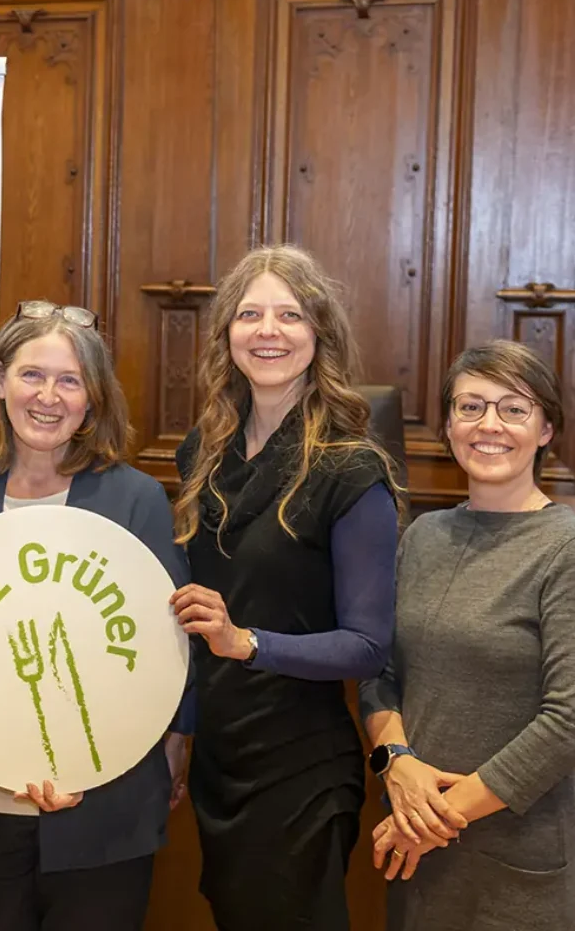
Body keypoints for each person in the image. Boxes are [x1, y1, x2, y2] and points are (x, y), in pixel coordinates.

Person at [0, 300, 191, 931]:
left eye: (70, 380)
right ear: (0, 382)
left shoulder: (135, 498)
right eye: (32, 375)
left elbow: (167, 643)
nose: (48, 397)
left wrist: (174, 743)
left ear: (92, 399)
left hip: (105, 806)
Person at [170, 245, 401, 930]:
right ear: (227, 335)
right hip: (220, 754)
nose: (268, 330)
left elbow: (367, 646)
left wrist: (247, 642)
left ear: (319, 334)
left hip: (301, 766)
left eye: (290, 315)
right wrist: (181, 732)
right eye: (250, 314)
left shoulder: (349, 469)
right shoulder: (201, 453)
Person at [360, 341, 575, 930]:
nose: (489, 425)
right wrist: (393, 760)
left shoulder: (573, 551)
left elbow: (572, 723)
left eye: (514, 409)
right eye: (471, 406)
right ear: (449, 426)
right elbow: (381, 673)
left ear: (546, 429)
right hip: (418, 856)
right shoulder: (422, 536)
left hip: (513, 865)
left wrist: (432, 818)